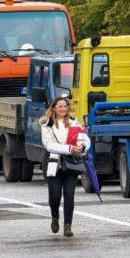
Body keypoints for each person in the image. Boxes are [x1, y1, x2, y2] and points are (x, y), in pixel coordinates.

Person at [40, 96, 87, 237]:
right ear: (54, 108)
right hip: (53, 163)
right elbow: (49, 145)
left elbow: (84, 138)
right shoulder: (46, 124)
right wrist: (69, 149)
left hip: (71, 163)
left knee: (69, 195)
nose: (63, 109)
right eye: (60, 106)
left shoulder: (74, 123)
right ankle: (55, 216)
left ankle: (68, 225)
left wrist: (82, 147)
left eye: (65, 106)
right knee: (54, 197)